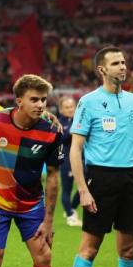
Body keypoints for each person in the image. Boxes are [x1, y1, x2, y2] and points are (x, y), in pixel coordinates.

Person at [69, 46, 133, 267]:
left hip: (130, 179)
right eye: (116, 63)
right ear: (102, 69)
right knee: (89, 249)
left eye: (124, 62)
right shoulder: (88, 102)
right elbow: (75, 149)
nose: (122, 67)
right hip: (100, 181)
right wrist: (83, 189)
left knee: (128, 251)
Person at [0, 75, 62, 267]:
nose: (40, 105)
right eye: (34, 99)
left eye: (43, 100)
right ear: (19, 101)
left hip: (31, 205)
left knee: (44, 256)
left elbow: (54, 176)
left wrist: (49, 220)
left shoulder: (52, 131)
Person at [57, 96, 82, 227]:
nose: (70, 109)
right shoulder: (59, 123)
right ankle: (71, 216)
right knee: (66, 188)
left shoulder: (80, 120)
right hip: (66, 159)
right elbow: (59, 141)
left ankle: (71, 208)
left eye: (72, 106)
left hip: (81, 158)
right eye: (67, 107)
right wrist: (70, 132)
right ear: (61, 109)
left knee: (87, 183)